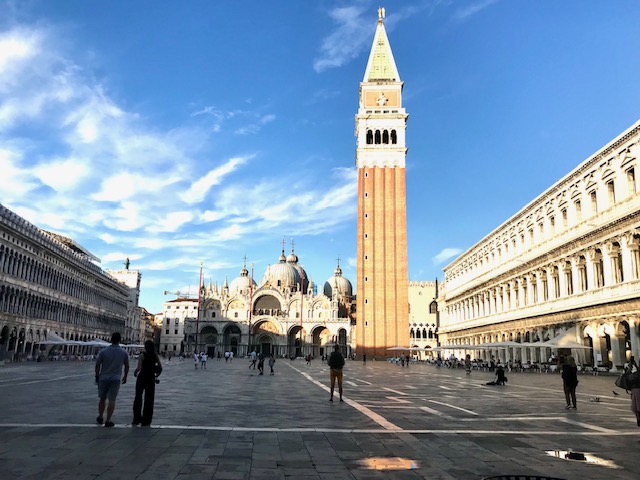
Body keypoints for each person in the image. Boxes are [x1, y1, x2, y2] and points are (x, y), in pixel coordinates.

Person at [95, 332, 129, 427]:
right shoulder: (123, 352)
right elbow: (127, 365)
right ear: (119, 340)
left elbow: (98, 364)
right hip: (116, 379)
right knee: (112, 400)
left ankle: (101, 416)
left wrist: (97, 375)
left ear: (111, 339)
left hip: (103, 377)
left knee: (102, 398)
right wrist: (125, 376)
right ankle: (108, 420)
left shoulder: (104, 351)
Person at [132, 340, 162, 426]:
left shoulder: (142, 355)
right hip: (151, 378)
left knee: (138, 397)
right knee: (149, 399)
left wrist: (135, 372)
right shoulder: (155, 356)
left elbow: (139, 367)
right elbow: (160, 367)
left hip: (142, 377)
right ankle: (147, 420)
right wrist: (156, 376)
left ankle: (137, 418)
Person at [626, 356, 640, 426]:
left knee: (637, 407)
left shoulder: (636, 374)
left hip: (637, 390)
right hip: (636, 390)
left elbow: (630, 378)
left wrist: (629, 369)